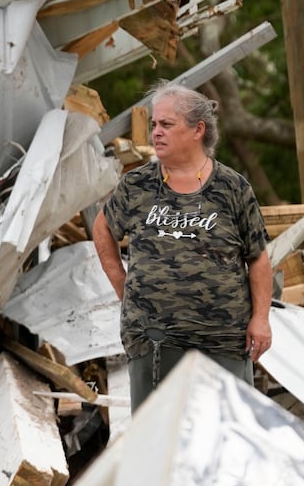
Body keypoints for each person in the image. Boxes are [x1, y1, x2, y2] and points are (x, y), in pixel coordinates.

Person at [92, 82, 272, 410]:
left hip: (222, 341)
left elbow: (258, 257)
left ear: (197, 130)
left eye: (167, 125)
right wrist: (123, 285)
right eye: (154, 125)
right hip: (154, 341)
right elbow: (102, 228)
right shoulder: (136, 185)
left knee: (226, 439)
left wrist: (261, 318)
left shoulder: (233, 188)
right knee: (158, 443)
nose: (156, 132)